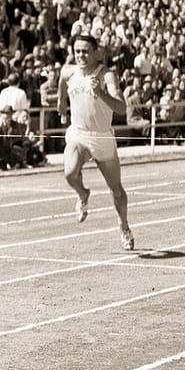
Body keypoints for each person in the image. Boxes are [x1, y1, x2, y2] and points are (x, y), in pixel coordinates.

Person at [57, 34, 133, 250]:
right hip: (79, 134)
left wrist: (99, 92)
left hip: (102, 137)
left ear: (96, 53)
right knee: (70, 173)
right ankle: (83, 194)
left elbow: (121, 108)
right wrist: (61, 101)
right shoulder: (68, 71)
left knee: (116, 190)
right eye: (77, 51)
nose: (81, 55)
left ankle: (124, 226)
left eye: (85, 51)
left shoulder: (107, 75)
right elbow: (62, 82)